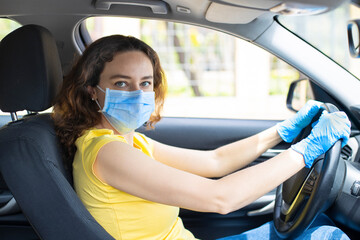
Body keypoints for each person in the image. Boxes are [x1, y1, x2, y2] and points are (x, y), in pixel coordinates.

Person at [52, 35, 351, 240]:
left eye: (145, 83)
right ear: (92, 90)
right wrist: (306, 150)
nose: (137, 93)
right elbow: (220, 198)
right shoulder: (107, 151)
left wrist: (282, 131)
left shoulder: (129, 140)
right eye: (121, 82)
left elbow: (214, 162)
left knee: (319, 227)